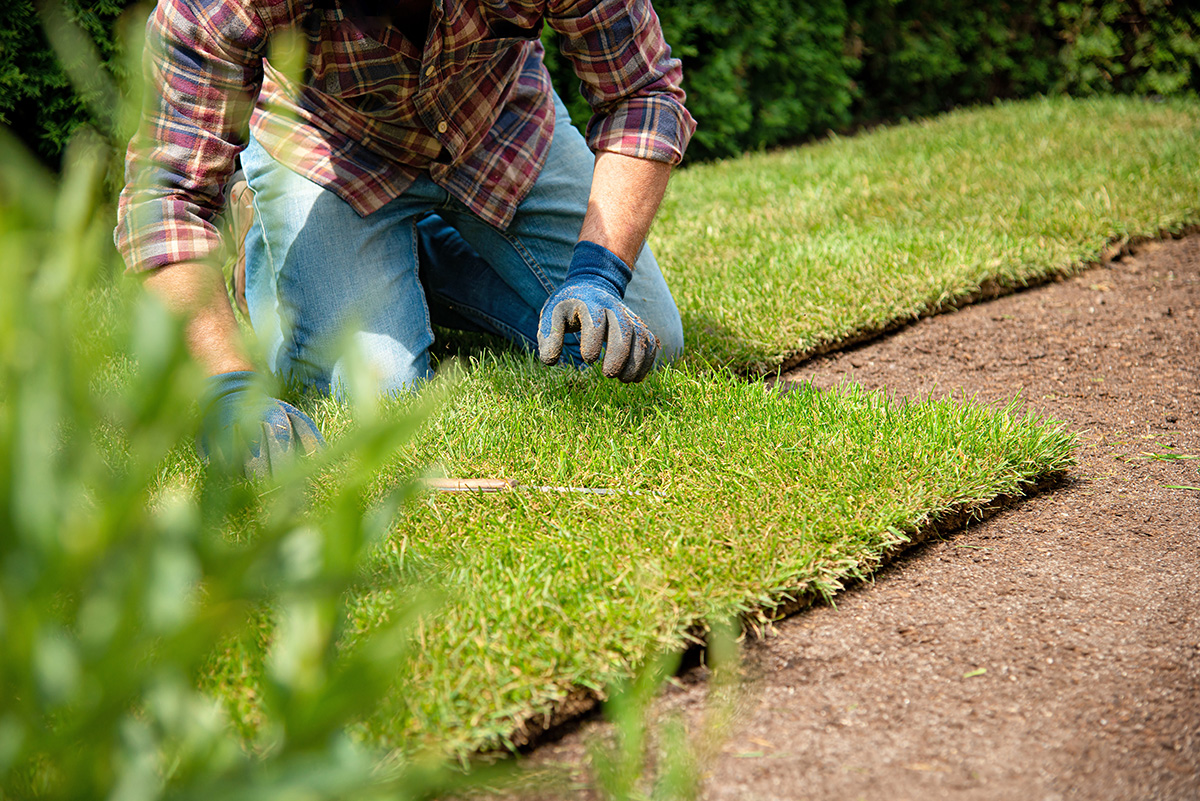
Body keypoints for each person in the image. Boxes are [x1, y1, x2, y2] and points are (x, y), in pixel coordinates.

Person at [115, 0, 696, 476]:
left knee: (644, 337)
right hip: (325, 143)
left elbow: (640, 93)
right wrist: (229, 388)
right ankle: (265, 257)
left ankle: (412, 253)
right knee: (378, 391)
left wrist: (597, 275)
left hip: (494, 120)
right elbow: (164, 198)